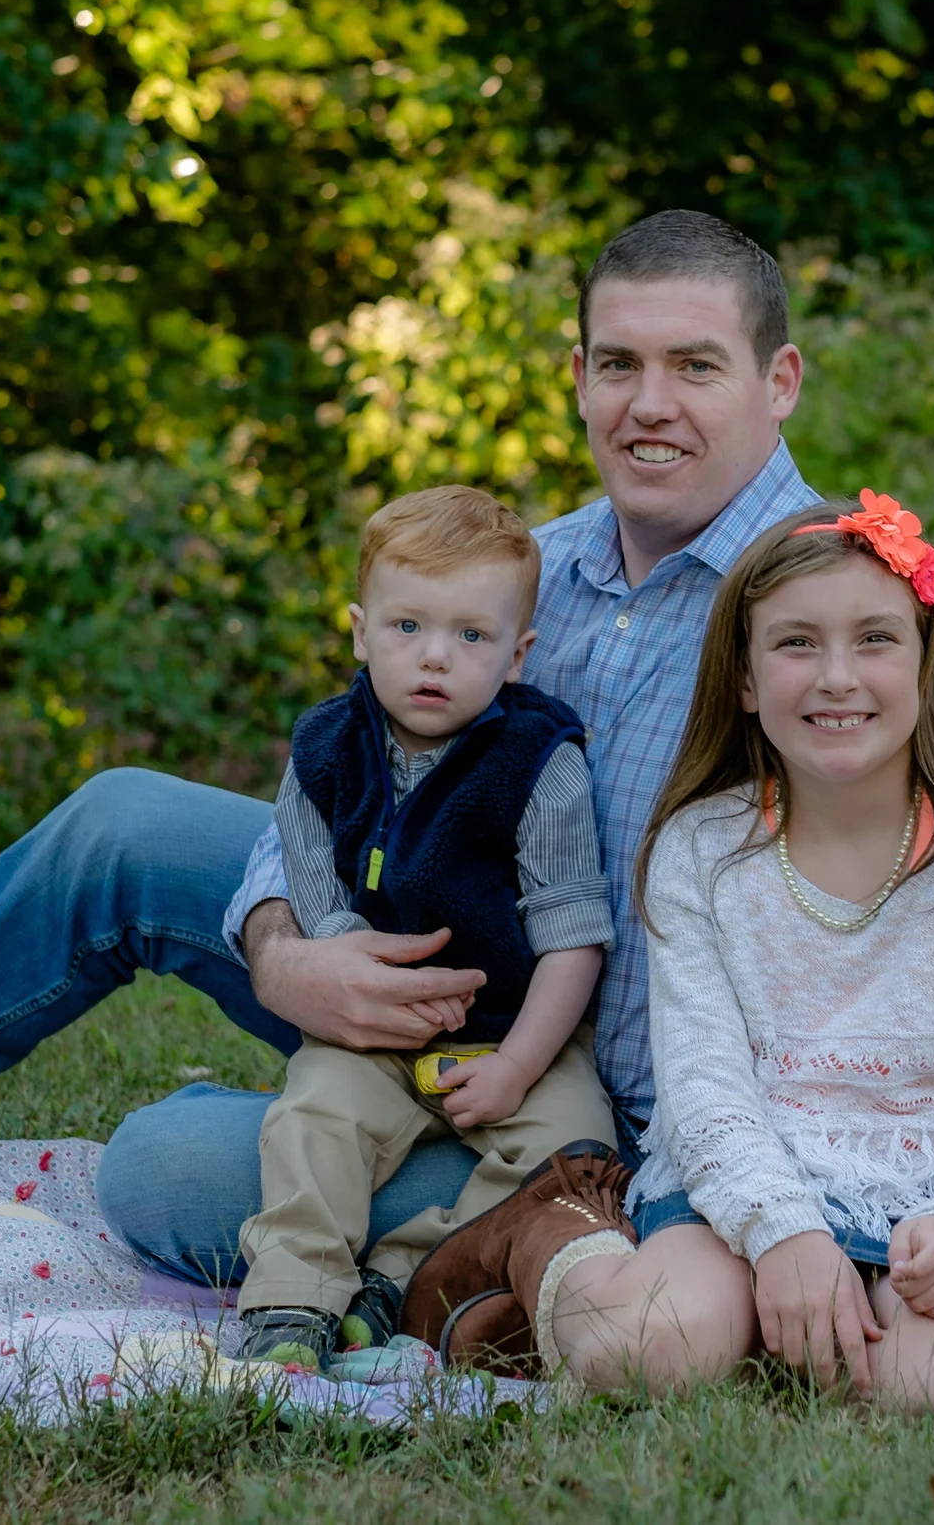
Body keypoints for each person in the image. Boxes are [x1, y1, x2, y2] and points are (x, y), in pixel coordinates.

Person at [0, 212, 820, 1278]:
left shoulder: (831, 616)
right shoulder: (530, 570)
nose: (647, 403)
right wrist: (284, 949)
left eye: (693, 366)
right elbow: (332, 776)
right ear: (575, 374)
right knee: (123, 820)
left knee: (160, 1170)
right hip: (404, 973)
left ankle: (332, 1169)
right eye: (618, 362)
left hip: (583, 1110)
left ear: (779, 380)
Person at [400, 497, 934, 1416]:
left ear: (926, 663)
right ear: (747, 678)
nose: (837, 676)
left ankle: (787, 1321)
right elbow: (707, 1094)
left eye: (875, 638)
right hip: (744, 1172)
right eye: (796, 643)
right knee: (656, 1351)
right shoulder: (705, 849)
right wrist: (783, 1230)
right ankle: (554, 1238)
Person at [230, 485, 616, 1365]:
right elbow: (307, 862)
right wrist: (335, 950)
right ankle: (292, 1301)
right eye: (407, 628)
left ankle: (399, 1280)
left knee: (571, 1148)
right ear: (362, 631)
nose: (434, 657)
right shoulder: (326, 746)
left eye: (471, 636)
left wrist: (520, 1064)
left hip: (519, 1031)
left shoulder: (539, 767)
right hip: (375, 1029)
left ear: (517, 654)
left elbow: (572, 936)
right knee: (312, 1117)